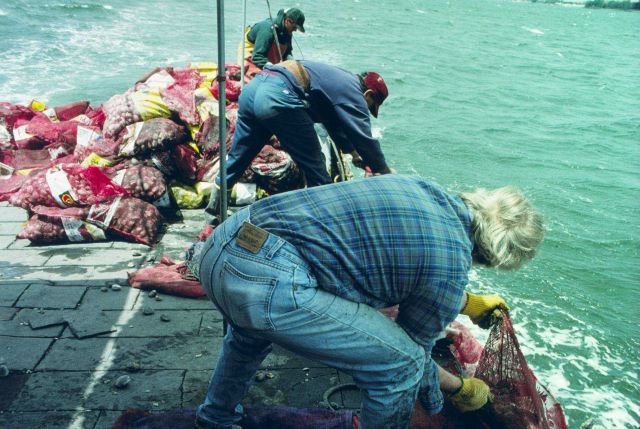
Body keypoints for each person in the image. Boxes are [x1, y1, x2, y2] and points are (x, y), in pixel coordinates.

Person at [195, 174, 544, 429]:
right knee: (399, 365)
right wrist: (458, 388)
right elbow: (411, 353)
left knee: (247, 337)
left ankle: (215, 417)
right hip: (265, 283)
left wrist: (465, 303)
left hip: (223, 249)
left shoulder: (426, 189)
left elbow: (396, 263)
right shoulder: (450, 269)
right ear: (497, 255)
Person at [205, 59, 392, 217]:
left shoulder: (341, 81)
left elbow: (334, 124)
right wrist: (382, 169)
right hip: (277, 98)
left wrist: (352, 152)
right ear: (368, 94)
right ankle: (323, 223)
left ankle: (214, 213)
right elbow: (364, 138)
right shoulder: (354, 93)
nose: (365, 109)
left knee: (238, 159)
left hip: (253, 90)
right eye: (370, 106)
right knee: (316, 168)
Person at [238, 7, 305, 70]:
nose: (295, 30)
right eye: (294, 27)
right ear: (288, 21)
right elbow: (257, 56)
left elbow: (287, 51)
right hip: (251, 54)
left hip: (265, 55)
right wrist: (271, 67)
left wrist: (291, 62)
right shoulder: (267, 29)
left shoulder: (287, 31)